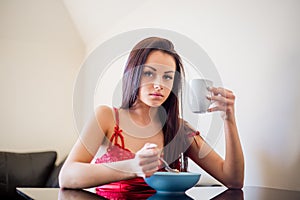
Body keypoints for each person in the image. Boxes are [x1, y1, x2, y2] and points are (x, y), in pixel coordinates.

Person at [59, 37, 244, 197]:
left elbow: (233, 180)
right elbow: (66, 176)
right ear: (133, 75)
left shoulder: (179, 129)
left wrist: (229, 119)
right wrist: (132, 166)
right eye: (149, 73)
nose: (159, 85)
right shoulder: (106, 117)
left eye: (167, 77)